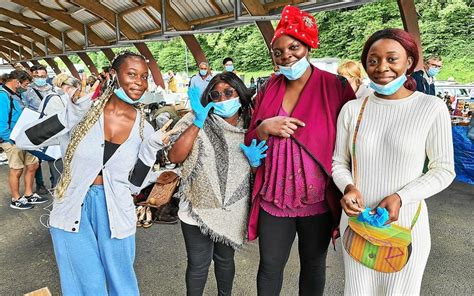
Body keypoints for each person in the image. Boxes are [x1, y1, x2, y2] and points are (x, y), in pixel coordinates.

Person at [16, 51, 168, 295]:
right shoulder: (82, 112)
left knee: (123, 284)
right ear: (113, 76)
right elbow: (25, 139)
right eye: (131, 74)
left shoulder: (145, 128)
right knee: (87, 284)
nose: (139, 82)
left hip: (116, 210)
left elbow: (134, 187)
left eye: (144, 76)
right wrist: (70, 114)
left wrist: (149, 151)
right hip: (73, 205)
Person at [332, 28, 455, 295]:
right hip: (358, 226)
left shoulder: (431, 108)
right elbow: (338, 162)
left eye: (391, 59)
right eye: (373, 60)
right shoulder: (353, 109)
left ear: (409, 62)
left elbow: (444, 170)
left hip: (406, 228)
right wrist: (348, 187)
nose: (381, 67)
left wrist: (402, 196)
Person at [244, 6, 355, 295]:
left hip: (316, 197)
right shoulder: (269, 87)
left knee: (314, 265)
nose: (286, 56)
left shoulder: (335, 86)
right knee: (269, 265)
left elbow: (354, 140)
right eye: (278, 52)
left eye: (293, 47)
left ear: (308, 46)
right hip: (274, 195)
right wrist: (264, 128)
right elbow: (251, 137)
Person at [167, 72, 256, 296]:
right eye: (216, 95)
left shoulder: (252, 124)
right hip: (196, 206)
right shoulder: (196, 118)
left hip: (232, 208)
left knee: (225, 260)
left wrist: (255, 163)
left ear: (240, 93)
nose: (223, 99)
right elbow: (175, 157)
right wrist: (198, 122)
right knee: (198, 264)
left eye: (229, 93)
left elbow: (256, 172)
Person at [0, 70, 47, 210]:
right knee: (17, 169)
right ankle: (16, 198)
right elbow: (2, 122)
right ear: (16, 81)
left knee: (33, 165)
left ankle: (28, 193)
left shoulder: (16, 95)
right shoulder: (3, 96)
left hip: (24, 137)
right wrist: (10, 140)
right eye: (25, 84)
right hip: (12, 139)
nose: (26, 87)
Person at [36, 73, 81, 188]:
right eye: (76, 91)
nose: (76, 95)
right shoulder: (56, 100)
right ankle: (59, 203)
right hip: (56, 146)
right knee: (60, 177)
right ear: (67, 88)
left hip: (58, 144)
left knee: (59, 175)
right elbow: (60, 124)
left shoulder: (52, 96)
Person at [23, 64, 55, 195]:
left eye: (43, 76)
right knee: (36, 159)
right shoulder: (26, 91)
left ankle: (55, 182)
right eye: (37, 76)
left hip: (52, 127)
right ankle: (40, 183)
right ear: (32, 76)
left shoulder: (53, 89)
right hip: (35, 128)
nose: (40, 78)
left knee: (53, 156)